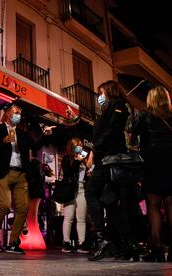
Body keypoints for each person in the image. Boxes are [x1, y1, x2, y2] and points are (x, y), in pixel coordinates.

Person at [0, 102, 54, 254]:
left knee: (23, 207)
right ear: (8, 113)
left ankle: (13, 242)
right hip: (4, 171)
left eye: (19, 114)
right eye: (16, 113)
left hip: (21, 173)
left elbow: (34, 146)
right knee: (5, 205)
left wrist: (43, 135)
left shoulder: (22, 133)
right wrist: (3, 141)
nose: (18, 116)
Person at [86, 80, 138, 261]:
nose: (99, 96)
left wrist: (95, 149)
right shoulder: (106, 110)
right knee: (109, 200)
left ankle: (103, 238)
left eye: (101, 92)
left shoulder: (118, 105)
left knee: (91, 191)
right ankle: (128, 243)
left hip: (111, 159)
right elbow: (99, 132)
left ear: (109, 91)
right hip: (106, 158)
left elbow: (112, 131)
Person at [132, 86, 172, 262]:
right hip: (171, 163)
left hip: (152, 163)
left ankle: (156, 249)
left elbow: (133, 139)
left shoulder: (144, 116)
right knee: (171, 205)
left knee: (153, 205)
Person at [60, 137, 89, 254]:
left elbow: (86, 174)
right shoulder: (67, 159)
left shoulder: (84, 160)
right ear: (72, 146)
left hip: (82, 188)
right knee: (69, 217)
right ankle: (66, 242)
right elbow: (68, 173)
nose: (80, 147)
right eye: (78, 144)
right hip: (70, 189)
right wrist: (77, 161)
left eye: (81, 144)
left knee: (81, 218)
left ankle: (82, 243)